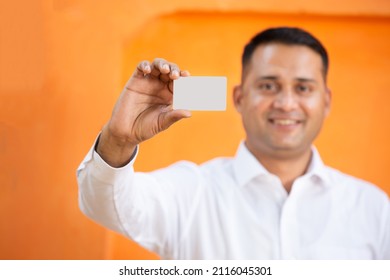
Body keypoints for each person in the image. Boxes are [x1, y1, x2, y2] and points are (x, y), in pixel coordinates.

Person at [77, 27, 390, 259]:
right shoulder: (191, 192)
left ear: (326, 101)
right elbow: (107, 206)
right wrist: (118, 139)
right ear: (239, 98)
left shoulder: (372, 208)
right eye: (268, 85)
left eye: (304, 88)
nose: (285, 102)